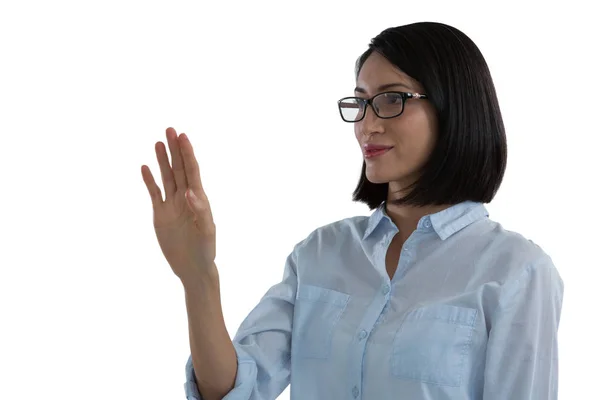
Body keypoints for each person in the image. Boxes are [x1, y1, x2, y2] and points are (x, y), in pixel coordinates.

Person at [141, 21, 564, 400]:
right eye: (360, 102)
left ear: (454, 107)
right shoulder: (321, 252)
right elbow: (235, 390)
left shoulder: (517, 272)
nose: (368, 124)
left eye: (391, 99)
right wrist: (198, 277)